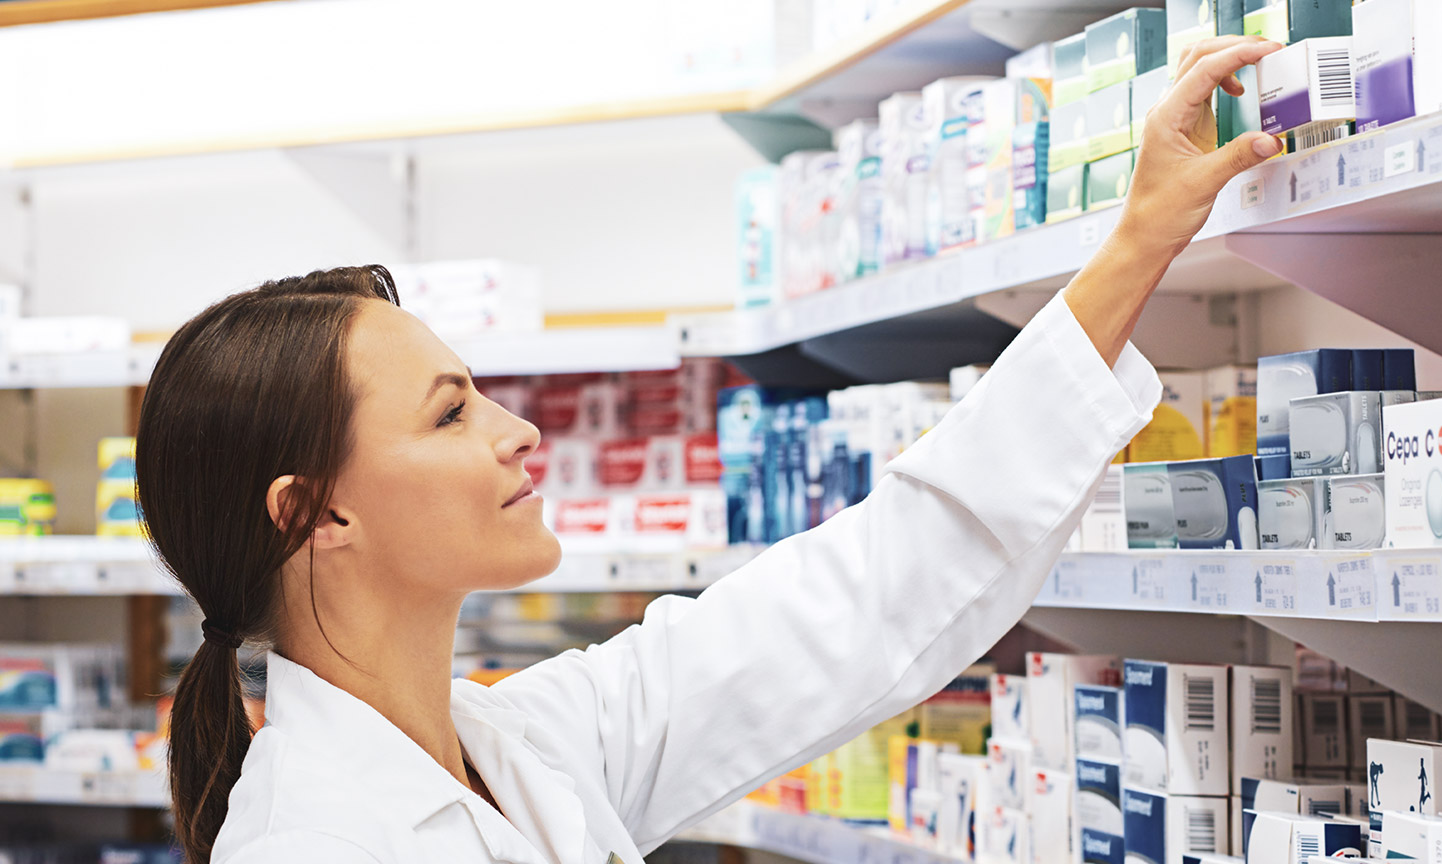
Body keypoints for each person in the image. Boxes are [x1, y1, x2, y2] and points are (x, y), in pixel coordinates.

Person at [135, 35, 1285, 864]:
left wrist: (1139, 239)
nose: (516, 431)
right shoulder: (313, 844)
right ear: (313, 515)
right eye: (449, 414)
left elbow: (868, 593)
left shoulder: (526, 740)